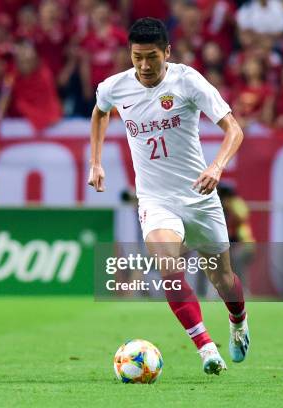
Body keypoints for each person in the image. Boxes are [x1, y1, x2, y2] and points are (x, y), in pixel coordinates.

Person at [88, 18, 249, 375]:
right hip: (156, 201)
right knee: (169, 271)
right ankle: (206, 348)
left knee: (222, 279)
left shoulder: (187, 81)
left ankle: (238, 320)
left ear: (167, 53)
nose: (144, 66)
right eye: (137, 57)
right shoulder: (116, 86)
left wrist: (217, 167)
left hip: (199, 197)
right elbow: (100, 111)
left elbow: (233, 130)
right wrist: (95, 162)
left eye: (152, 58)